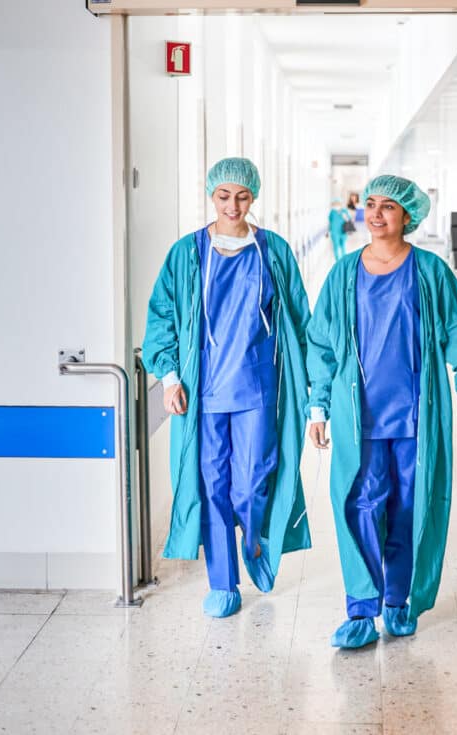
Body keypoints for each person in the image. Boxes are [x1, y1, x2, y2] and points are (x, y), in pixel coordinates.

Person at [306, 175, 457, 648]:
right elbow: (322, 345)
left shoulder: (429, 272)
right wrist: (317, 405)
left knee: (410, 510)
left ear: (407, 216)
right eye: (370, 204)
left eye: (388, 206)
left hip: (415, 419)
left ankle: (398, 599)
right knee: (361, 508)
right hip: (359, 420)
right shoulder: (343, 274)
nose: (375, 213)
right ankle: (361, 610)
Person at [142, 157, 311, 618]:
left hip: (257, 388)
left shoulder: (272, 251)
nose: (233, 205)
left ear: (253, 198)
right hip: (203, 393)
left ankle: (255, 545)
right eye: (224, 196)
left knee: (251, 483)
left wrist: (315, 390)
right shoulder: (187, 253)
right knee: (212, 484)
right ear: (210, 196)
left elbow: (298, 318)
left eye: (242, 196)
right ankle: (223, 582)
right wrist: (170, 377)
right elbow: (161, 318)